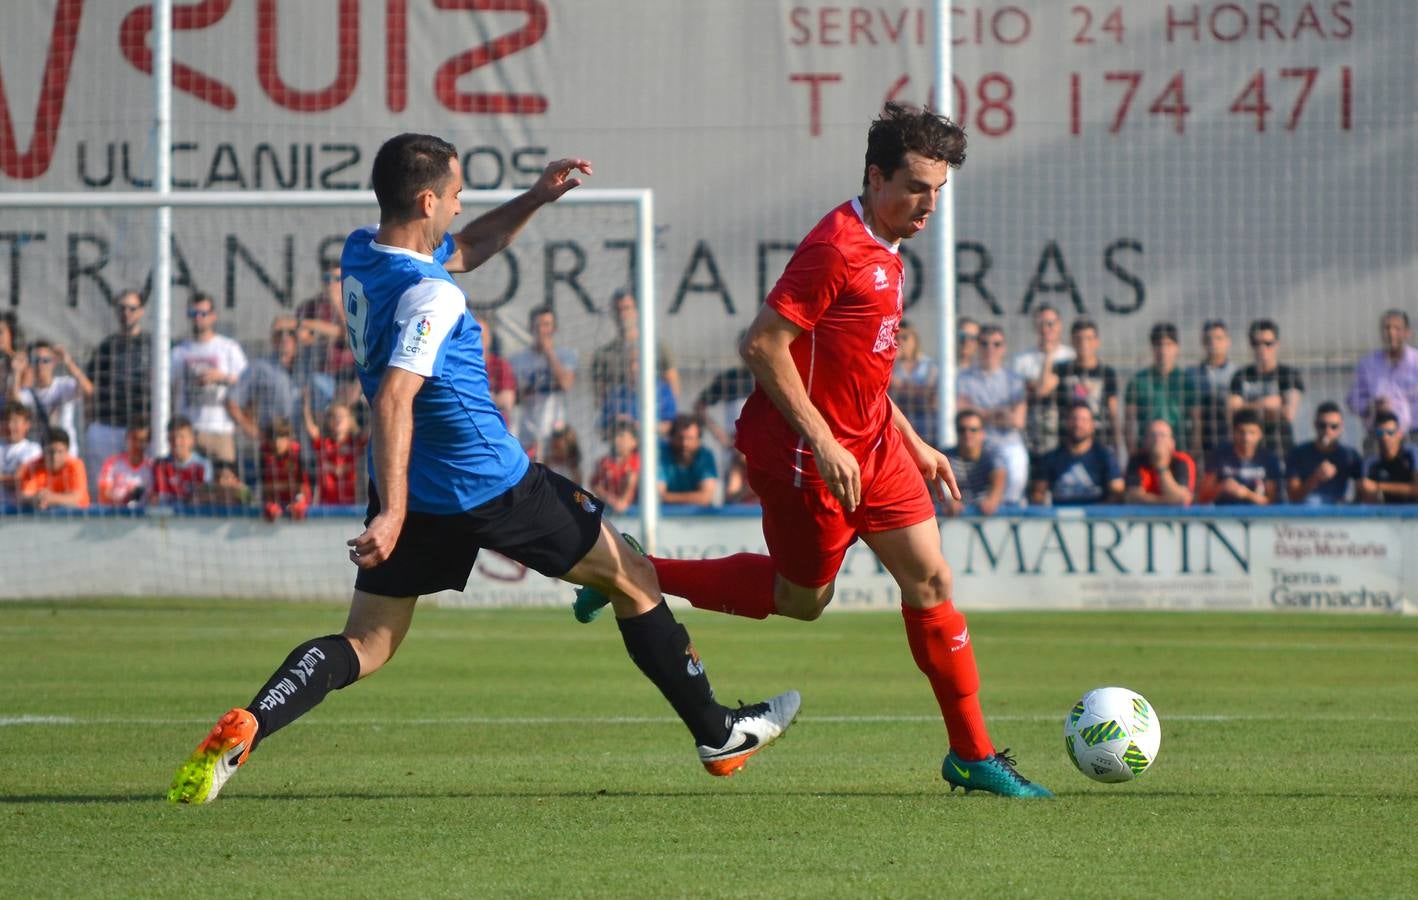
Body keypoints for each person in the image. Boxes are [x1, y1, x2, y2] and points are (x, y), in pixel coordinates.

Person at [168, 133, 797, 805]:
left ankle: (251, 726)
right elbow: (393, 397)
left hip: (416, 482)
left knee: (367, 643)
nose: (463, 204)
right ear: (428, 198)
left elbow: (465, 248)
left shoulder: (363, 252)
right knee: (635, 577)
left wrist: (534, 199)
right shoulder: (430, 297)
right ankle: (718, 733)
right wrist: (391, 514)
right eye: (459, 193)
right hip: (489, 483)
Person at [575, 103, 1050, 797]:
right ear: (875, 174)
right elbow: (762, 345)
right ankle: (628, 568)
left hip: (876, 446)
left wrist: (912, 440)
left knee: (933, 582)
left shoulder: (889, 247)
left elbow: (857, 366)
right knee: (802, 600)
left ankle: (972, 755)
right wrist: (824, 442)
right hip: (805, 457)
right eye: (916, 187)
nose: (928, 206)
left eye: (939, 191)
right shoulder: (836, 246)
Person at [85, 290, 152, 496]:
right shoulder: (106, 347)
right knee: (104, 488)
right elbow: (91, 387)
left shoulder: (152, 345)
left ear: (141, 312)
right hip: (108, 426)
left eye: (132, 308)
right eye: (122, 308)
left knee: (141, 487)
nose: (126, 313)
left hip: (141, 430)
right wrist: (90, 424)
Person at [171, 292, 247, 464]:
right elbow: (168, 388)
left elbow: (246, 382)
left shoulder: (228, 347)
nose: (198, 318)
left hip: (219, 429)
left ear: (213, 316)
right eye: (193, 314)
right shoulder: (179, 352)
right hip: (188, 432)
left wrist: (222, 377)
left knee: (225, 484)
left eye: (203, 314)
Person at [957, 324, 1029, 505]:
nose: (990, 349)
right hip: (978, 440)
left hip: (1007, 442)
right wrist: (996, 413)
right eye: (985, 344)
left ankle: (1009, 510)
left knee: (1017, 469)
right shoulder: (963, 378)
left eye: (996, 344)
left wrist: (978, 412)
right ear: (977, 346)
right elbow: (959, 410)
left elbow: (1018, 421)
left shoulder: (1014, 380)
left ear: (1003, 348)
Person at [590, 288, 681, 411]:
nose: (622, 315)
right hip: (620, 421)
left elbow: (673, 390)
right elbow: (601, 399)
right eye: (618, 310)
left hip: (654, 418)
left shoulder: (658, 348)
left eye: (627, 308)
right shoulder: (603, 355)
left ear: (637, 311)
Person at [1228, 318, 1303, 457]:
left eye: (1268, 343)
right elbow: (1233, 412)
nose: (1262, 349)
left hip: (1280, 447)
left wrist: (1247, 407)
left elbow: (1288, 414)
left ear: (1277, 344)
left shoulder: (1288, 374)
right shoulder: (1241, 375)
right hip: (1248, 450)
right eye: (1257, 343)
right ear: (1251, 345)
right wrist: (1268, 403)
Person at [509, 305, 577, 458]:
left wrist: (549, 353)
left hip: (557, 432)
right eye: (538, 325)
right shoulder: (517, 360)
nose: (542, 330)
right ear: (531, 328)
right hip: (528, 432)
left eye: (546, 325)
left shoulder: (566, 355)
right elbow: (514, 397)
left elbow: (566, 384)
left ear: (554, 328)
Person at [1011, 303, 1075, 463]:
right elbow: (1039, 391)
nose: (1046, 329)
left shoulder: (1071, 356)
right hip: (1033, 430)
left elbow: (1040, 389)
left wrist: (1037, 384)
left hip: (1065, 428)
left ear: (1059, 325)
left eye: (1050, 324)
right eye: (1041, 324)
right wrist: (1049, 357)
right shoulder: (1022, 360)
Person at [1124, 322, 1197, 458]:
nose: (1163, 350)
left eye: (1168, 344)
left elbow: (1196, 422)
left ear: (1177, 347)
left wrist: (1193, 454)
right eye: (1158, 345)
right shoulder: (1138, 381)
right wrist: (1133, 454)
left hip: (1178, 450)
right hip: (1146, 452)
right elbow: (1129, 421)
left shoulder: (1186, 382)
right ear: (1152, 348)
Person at [1346, 309, 1418, 448]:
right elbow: (1352, 400)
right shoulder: (1368, 364)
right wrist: (1371, 406)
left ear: (1407, 333)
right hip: (1378, 436)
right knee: (1372, 468)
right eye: (1387, 328)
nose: (1391, 333)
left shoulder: (1416, 363)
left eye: (1397, 329)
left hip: (1414, 435)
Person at [1029, 400, 1122, 506]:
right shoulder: (1051, 458)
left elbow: (1117, 493)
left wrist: (1097, 513)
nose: (1078, 424)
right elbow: (1038, 494)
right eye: (1074, 419)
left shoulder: (1105, 457)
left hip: (1096, 520)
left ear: (1092, 425)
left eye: (1084, 420)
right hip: (1061, 519)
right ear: (1066, 423)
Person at [1052, 317, 1121, 456]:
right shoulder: (1061, 370)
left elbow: (1113, 411)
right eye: (1079, 339)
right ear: (1072, 341)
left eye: (1089, 338)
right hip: (1069, 440)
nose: (1084, 344)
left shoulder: (1107, 373)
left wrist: (1117, 445)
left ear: (1097, 342)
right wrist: (1049, 351)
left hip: (1100, 439)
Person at [10, 340, 93, 449]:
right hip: (41, 452)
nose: (40, 365)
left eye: (45, 360)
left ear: (54, 362)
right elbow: (15, 406)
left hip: (66, 452)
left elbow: (88, 390)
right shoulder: (27, 392)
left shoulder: (64, 385)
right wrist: (16, 372)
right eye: (36, 360)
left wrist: (68, 362)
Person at [1199, 409, 1282, 506]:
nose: (1246, 438)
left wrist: (1247, 494)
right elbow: (1202, 497)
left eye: (1252, 432)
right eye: (1241, 432)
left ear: (1260, 435)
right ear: (1233, 432)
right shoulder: (1219, 456)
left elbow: (1271, 503)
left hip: (1259, 517)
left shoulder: (1269, 460)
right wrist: (1221, 487)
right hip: (1224, 515)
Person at [1286, 402, 1362, 505]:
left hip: (1339, 510)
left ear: (1341, 427)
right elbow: (1293, 497)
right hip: (1308, 512)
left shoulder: (1349, 455)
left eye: (1334, 426)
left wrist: (1351, 507)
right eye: (1322, 425)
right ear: (1315, 425)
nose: (1328, 431)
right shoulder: (1298, 453)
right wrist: (1315, 478)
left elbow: (1364, 491)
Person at [1187, 319, 1237, 467]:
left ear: (1228, 341)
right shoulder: (1191, 375)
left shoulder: (1237, 374)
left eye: (1218, 338)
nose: (1213, 343)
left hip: (1228, 436)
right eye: (1209, 339)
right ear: (1203, 342)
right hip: (1199, 436)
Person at [942, 409, 1005, 516]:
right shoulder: (946, 457)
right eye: (962, 430)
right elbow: (938, 478)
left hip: (985, 517)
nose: (967, 434)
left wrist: (993, 499)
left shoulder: (990, 456)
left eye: (973, 430)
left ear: (982, 433)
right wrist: (949, 500)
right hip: (954, 517)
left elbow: (999, 475)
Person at [305, 400, 367, 506]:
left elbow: (369, 430)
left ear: (350, 421)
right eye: (334, 416)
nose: (338, 420)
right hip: (326, 504)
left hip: (351, 503)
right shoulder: (324, 443)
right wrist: (305, 406)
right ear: (328, 421)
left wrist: (370, 407)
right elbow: (311, 429)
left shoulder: (355, 443)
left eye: (342, 416)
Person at [1123, 419, 1196, 506]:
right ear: (1145, 442)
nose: (1157, 440)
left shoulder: (1182, 461)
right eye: (1153, 435)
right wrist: (1168, 501)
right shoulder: (1136, 461)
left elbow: (1182, 499)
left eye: (1162, 435)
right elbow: (1133, 497)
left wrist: (1161, 467)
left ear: (1172, 443)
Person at [889, 320, 939, 445]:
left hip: (926, 427)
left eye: (905, 337)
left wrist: (901, 387)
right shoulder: (889, 365)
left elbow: (929, 395)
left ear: (914, 340)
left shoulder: (929, 365)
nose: (900, 342)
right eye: (896, 337)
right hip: (897, 425)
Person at [17, 427, 90, 510]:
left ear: (67, 451)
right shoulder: (33, 466)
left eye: (60, 451)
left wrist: (50, 498)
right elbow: (24, 495)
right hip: (44, 518)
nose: (55, 457)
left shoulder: (75, 465)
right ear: (43, 451)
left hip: (76, 517)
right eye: (50, 452)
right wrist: (35, 499)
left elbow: (77, 497)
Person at [1358, 411, 1418, 503]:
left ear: (1399, 434)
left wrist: (1378, 486)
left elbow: (1416, 489)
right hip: (1388, 515)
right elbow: (1365, 499)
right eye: (1380, 433)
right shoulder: (1370, 463)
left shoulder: (1413, 454)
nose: (1385, 437)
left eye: (1390, 433)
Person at [658, 414, 717, 507]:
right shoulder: (661, 454)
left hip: (699, 517)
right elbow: (657, 496)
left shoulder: (705, 456)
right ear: (671, 439)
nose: (684, 444)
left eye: (690, 438)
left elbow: (706, 498)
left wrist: (668, 497)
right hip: (666, 517)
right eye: (680, 438)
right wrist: (696, 497)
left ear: (699, 441)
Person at [153, 415, 212, 507]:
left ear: (192, 439)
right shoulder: (160, 465)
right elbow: (155, 497)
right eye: (172, 437)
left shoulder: (203, 465)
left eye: (181, 437)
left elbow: (205, 496)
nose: (177, 442)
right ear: (167, 439)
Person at [259, 419, 311, 521]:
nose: (277, 442)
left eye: (281, 437)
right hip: (275, 499)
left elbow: (303, 486)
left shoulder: (297, 453)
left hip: (296, 498)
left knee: (299, 509)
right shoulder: (264, 453)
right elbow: (263, 487)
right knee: (269, 512)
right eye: (273, 438)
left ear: (289, 438)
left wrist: (299, 501)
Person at [472, 311, 517, 426]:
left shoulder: (499, 365)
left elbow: (507, 401)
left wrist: (472, 397)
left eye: (481, 337)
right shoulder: (461, 365)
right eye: (473, 337)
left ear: (489, 339)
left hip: (495, 429)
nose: (477, 342)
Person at [589, 417, 640, 514]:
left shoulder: (637, 461)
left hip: (634, 511)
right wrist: (611, 500)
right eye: (614, 436)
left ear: (634, 441)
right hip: (612, 510)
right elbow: (595, 485)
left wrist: (624, 500)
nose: (616, 440)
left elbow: (632, 482)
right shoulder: (605, 462)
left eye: (622, 436)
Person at [97, 420, 153, 508]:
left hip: (143, 518)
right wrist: (124, 499)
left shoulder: (152, 467)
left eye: (142, 440)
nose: (138, 445)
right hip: (115, 516)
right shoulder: (112, 463)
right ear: (127, 438)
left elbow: (155, 499)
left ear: (148, 443)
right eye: (134, 439)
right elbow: (103, 496)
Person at [1, 403, 42, 508]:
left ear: (27, 425)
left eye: (15, 421)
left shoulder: (33, 449)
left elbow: (19, 479)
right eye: (7, 421)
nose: (10, 426)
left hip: (23, 511)